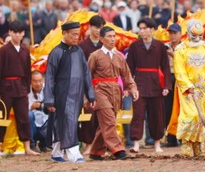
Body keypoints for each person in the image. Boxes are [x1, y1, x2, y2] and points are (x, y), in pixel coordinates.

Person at [43, 21, 95, 163]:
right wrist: (49, 100)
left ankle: (56, 153)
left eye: (78, 34)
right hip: (62, 94)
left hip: (77, 94)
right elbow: (49, 77)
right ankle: (74, 153)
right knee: (69, 122)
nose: (76, 37)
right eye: (73, 34)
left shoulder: (78, 51)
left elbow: (86, 74)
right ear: (64, 34)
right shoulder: (56, 52)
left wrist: (90, 95)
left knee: (63, 122)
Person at [87, 26, 138, 161]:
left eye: (114, 36)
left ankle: (96, 151)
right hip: (99, 90)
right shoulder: (95, 56)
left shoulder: (119, 57)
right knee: (109, 120)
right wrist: (88, 95)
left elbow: (127, 75)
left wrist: (132, 88)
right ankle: (118, 150)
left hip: (115, 92)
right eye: (109, 36)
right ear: (101, 39)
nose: (112, 39)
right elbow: (87, 76)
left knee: (105, 123)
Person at [173, 20, 205, 156]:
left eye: (199, 35)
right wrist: (188, 85)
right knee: (191, 115)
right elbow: (179, 70)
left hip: (204, 89)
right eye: (194, 35)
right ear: (187, 33)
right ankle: (186, 144)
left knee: (202, 117)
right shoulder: (180, 49)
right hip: (187, 90)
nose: (197, 38)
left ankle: (199, 145)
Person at [0, 21, 39, 156]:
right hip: (6, 87)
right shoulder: (3, 50)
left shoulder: (25, 50)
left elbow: (28, 71)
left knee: (23, 117)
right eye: (14, 32)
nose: (17, 35)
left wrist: (28, 88)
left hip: (21, 88)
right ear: (10, 32)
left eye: (20, 33)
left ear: (23, 33)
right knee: (2, 117)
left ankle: (27, 147)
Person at [126, 17, 171, 153]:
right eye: (140, 28)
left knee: (156, 114)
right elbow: (129, 68)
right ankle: (136, 143)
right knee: (138, 114)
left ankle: (157, 143)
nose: (142, 31)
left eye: (145, 28)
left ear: (152, 30)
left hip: (156, 83)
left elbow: (166, 67)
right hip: (139, 83)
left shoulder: (160, 46)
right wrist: (129, 86)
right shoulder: (134, 46)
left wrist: (166, 86)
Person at [77, 15, 105, 149]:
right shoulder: (81, 46)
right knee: (88, 113)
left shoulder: (104, 46)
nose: (98, 30)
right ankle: (88, 144)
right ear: (90, 27)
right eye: (96, 27)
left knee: (102, 114)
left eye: (101, 27)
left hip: (103, 84)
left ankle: (99, 144)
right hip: (87, 83)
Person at [163, 23, 182, 147]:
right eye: (170, 33)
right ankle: (170, 137)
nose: (172, 35)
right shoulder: (164, 46)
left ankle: (181, 136)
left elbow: (186, 63)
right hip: (168, 77)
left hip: (181, 77)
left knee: (181, 108)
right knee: (167, 108)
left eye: (174, 33)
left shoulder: (184, 47)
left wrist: (172, 55)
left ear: (180, 34)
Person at [28, 71, 49, 152]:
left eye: (40, 81)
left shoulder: (48, 89)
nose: (38, 83)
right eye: (35, 81)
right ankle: (32, 145)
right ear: (30, 81)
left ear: (43, 80)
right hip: (33, 125)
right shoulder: (26, 91)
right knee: (28, 115)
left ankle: (44, 143)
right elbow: (22, 109)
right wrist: (31, 107)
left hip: (45, 123)